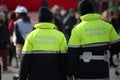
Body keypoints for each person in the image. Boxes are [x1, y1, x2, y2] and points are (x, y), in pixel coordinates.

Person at [66, 0, 120, 80]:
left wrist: (69, 73)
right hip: (103, 70)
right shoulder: (107, 25)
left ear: (80, 12)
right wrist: (107, 53)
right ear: (92, 10)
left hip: (84, 71)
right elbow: (117, 47)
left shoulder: (77, 29)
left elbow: (73, 54)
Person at [19, 7, 67, 80]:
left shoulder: (31, 36)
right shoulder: (60, 35)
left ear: (39, 20)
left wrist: (22, 77)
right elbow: (64, 60)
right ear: (51, 20)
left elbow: (25, 60)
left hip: (35, 76)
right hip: (55, 76)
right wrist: (65, 76)